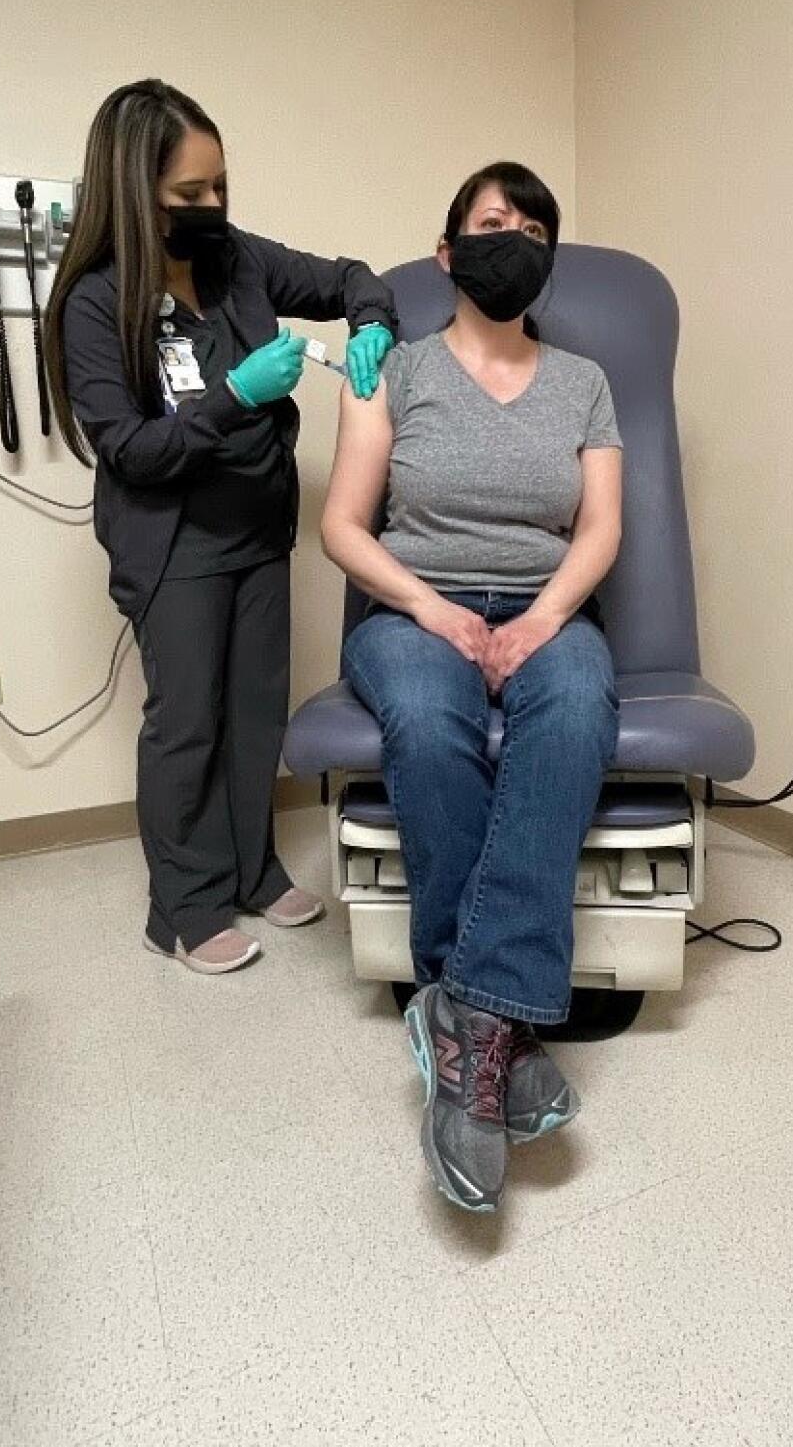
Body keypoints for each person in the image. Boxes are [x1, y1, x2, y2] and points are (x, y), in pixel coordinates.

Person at [321, 162, 623, 1211]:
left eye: (532, 225)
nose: (514, 237)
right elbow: (343, 527)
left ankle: (464, 1018)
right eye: (492, 222)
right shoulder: (393, 369)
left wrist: (540, 619)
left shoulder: (583, 380)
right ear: (447, 254)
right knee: (431, 717)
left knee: (577, 705)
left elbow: (601, 529)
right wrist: (436, 610)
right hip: (412, 604)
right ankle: (500, 1019)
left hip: (548, 604)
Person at [45, 79, 397, 975]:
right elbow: (131, 449)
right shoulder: (95, 303)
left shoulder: (237, 261)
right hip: (174, 545)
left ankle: (251, 868)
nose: (212, 208)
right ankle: (186, 904)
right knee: (188, 723)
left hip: (255, 530)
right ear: (133, 191)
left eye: (220, 188)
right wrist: (239, 394)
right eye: (189, 195)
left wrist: (372, 325)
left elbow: (356, 277)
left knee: (252, 714)